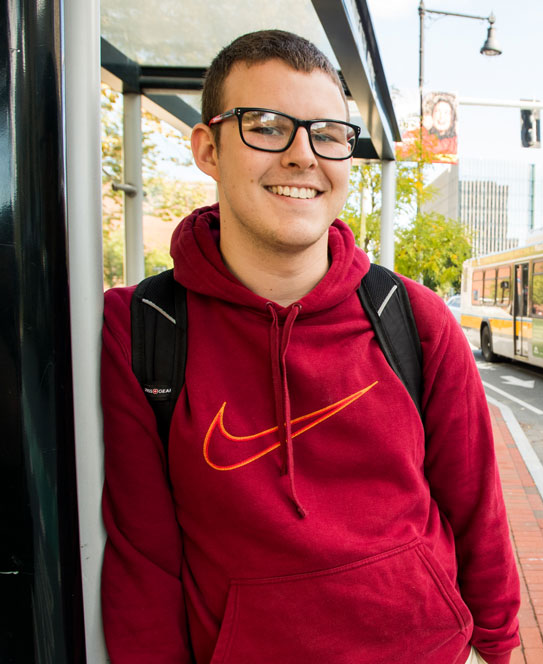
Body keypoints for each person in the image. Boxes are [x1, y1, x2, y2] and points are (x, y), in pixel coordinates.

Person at [100, 30, 520, 664]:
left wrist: (499, 645)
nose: (303, 156)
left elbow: (477, 512)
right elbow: (145, 564)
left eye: (327, 133)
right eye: (266, 125)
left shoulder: (414, 319)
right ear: (208, 149)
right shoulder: (143, 328)